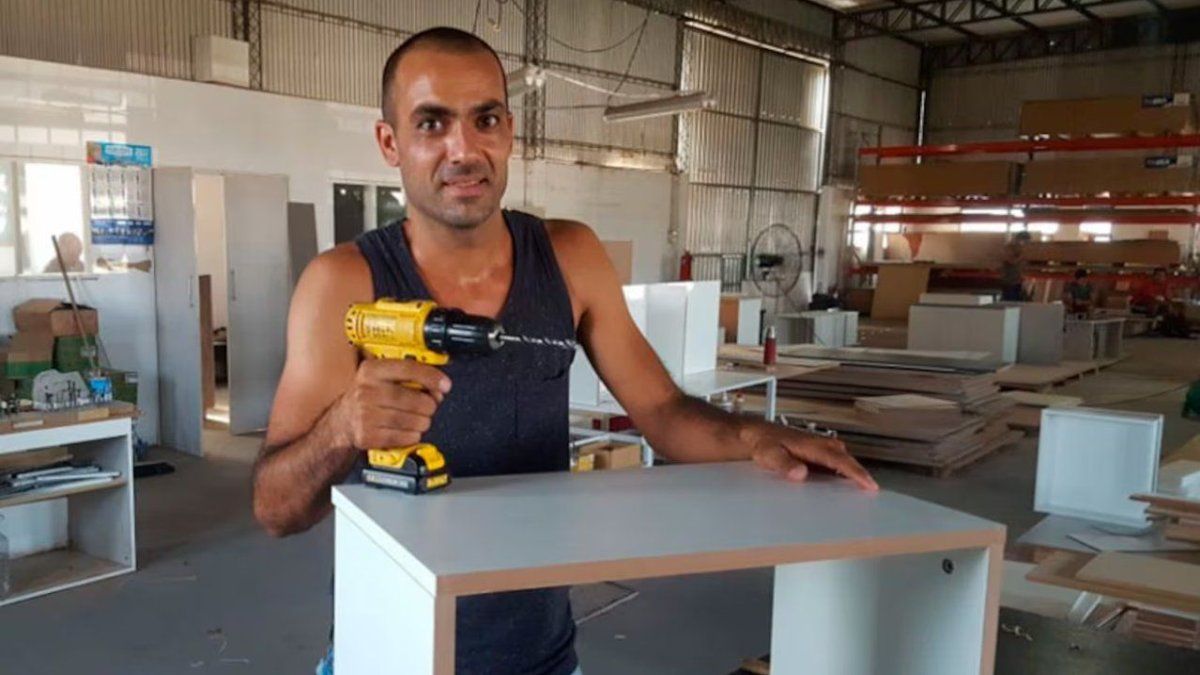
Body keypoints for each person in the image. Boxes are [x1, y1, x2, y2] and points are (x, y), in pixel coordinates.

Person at [250, 27, 877, 675]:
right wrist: (343, 427)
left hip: (542, 657)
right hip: (383, 654)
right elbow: (275, 509)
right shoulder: (342, 284)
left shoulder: (570, 256)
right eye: (431, 123)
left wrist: (756, 437)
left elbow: (661, 409)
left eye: (485, 119)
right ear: (390, 143)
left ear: (509, 131)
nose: (463, 149)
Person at [999, 230, 1031, 302]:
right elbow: (1011, 261)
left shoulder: (1020, 248)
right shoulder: (1009, 248)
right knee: (1010, 301)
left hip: (1017, 280)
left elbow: (1023, 265)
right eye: (1025, 241)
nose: (1025, 244)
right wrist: (1022, 255)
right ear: (1019, 239)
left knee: (1017, 301)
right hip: (1009, 281)